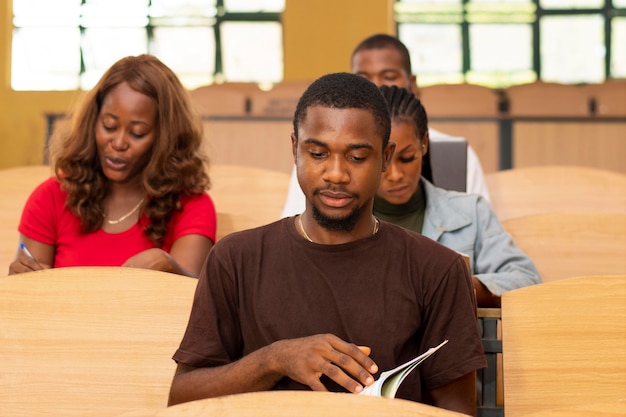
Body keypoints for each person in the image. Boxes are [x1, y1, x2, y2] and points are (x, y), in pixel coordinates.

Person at [168, 73, 486, 415]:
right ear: (295, 149)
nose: (336, 174)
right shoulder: (235, 259)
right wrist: (275, 359)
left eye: (357, 157)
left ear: (385, 156)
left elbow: (458, 411)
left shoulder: (437, 270)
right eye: (318, 153)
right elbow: (182, 398)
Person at [9, 54, 216, 277]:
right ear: (93, 122)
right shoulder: (50, 198)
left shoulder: (191, 206)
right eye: (109, 126)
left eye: (138, 133)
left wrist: (170, 267)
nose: (118, 143)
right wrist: (21, 281)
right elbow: (30, 299)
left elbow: (193, 300)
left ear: (165, 138)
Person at [281, 33, 490, 217]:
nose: (375, 86)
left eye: (389, 77)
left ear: (412, 83)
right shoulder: (322, 152)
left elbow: (479, 226)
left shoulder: (454, 155)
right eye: (363, 78)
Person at [376, 85, 540, 307]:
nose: (395, 175)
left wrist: (457, 286)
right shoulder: (343, 220)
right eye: (383, 161)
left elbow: (526, 280)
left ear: (424, 144)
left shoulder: (471, 212)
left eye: (407, 158)